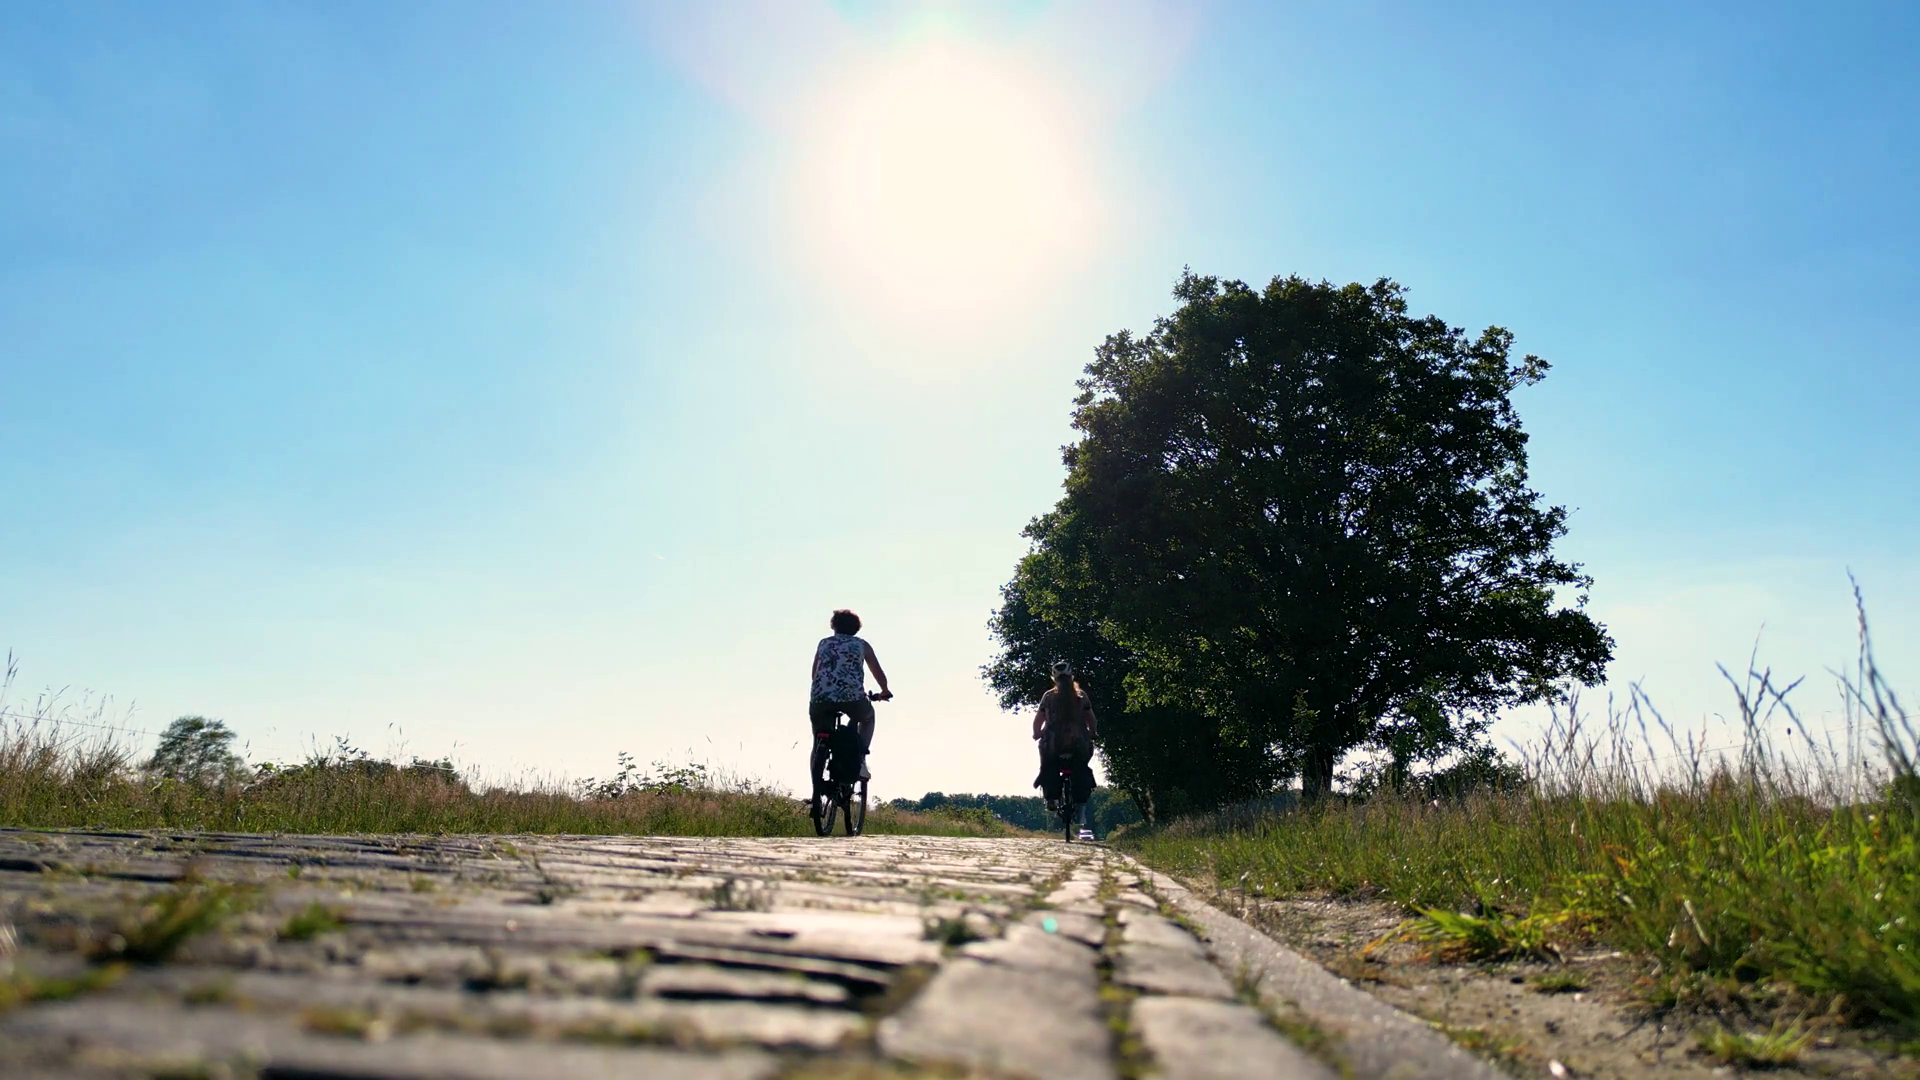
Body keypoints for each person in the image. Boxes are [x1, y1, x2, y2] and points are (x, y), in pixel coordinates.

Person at [809, 609, 890, 791]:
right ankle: (861, 760)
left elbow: (814, 674)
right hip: (852, 699)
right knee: (868, 718)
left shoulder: (824, 643)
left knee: (818, 740)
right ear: (856, 628)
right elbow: (877, 671)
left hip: (820, 698)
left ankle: (816, 791)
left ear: (834, 626)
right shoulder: (861, 645)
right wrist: (884, 690)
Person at [1033, 660, 1097, 811]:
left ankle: (1051, 798)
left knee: (1048, 765)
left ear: (1054, 678)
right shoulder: (1081, 696)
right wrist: (1092, 733)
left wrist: (1037, 734)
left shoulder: (1048, 697)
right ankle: (1081, 806)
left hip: (1052, 744)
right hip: (1079, 744)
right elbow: (1091, 719)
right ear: (1071, 676)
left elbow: (1038, 721)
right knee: (1081, 766)